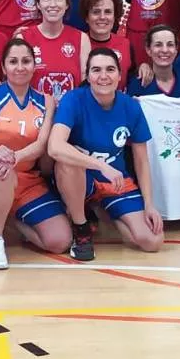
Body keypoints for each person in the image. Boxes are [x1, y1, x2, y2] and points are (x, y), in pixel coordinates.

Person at [0, 38, 72, 269]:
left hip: (26, 180)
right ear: (3, 67)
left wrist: (14, 157)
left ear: (35, 65)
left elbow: (42, 144)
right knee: (1, 173)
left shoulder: (47, 101)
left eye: (25, 61)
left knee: (59, 240)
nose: (20, 67)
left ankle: (8, 221)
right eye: (13, 61)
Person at [48, 48, 165, 260]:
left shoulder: (131, 106)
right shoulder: (74, 99)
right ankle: (81, 227)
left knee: (152, 241)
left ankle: (101, 210)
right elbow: (55, 146)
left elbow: (141, 160)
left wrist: (149, 204)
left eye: (110, 69)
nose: (103, 76)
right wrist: (101, 166)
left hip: (115, 181)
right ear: (87, 76)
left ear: (120, 76)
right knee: (68, 160)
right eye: (96, 70)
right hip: (81, 178)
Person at [17, 0, 88, 98]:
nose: (53, 4)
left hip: (68, 114)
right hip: (33, 113)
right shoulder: (23, 38)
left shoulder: (81, 38)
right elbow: (17, 84)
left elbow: (85, 86)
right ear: (38, 4)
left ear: (67, 4)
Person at [127, 25, 180, 97]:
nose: (165, 50)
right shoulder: (137, 85)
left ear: (176, 49)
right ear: (148, 50)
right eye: (158, 45)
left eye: (170, 45)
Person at [80, 0, 132, 80]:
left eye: (108, 12)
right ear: (87, 17)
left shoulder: (126, 44)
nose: (102, 17)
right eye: (96, 12)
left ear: (115, 16)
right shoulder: (78, 45)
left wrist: (144, 67)